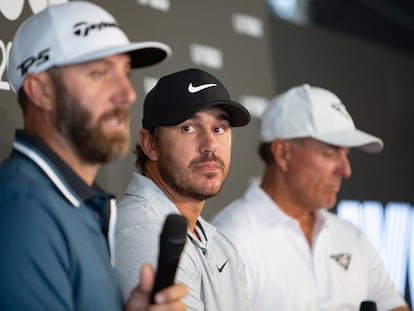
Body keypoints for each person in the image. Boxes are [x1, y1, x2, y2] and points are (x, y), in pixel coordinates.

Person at [0, 2, 187, 310]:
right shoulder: (23, 213)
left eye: (124, 72)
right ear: (41, 91)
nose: (127, 93)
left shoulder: (71, 204)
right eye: (99, 73)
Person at [212, 84, 410, 311]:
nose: (346, 170)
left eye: (346, 154)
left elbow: (393, 305)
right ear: (283, 153)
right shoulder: (231, 239)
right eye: (331, 152)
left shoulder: (350, 236)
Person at [115, 68, 253, 311]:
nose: (210, 145)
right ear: (150, 144)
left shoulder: (218, 242)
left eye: (219, 129)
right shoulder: (144, 229)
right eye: (189, 128)